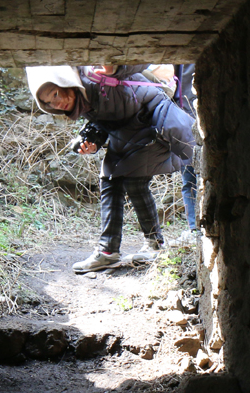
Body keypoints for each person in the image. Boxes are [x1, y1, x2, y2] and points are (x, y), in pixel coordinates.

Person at [27, 64, 195, 273]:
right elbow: (106, 120)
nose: (57, 102)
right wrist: (90, 141)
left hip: (153, 122)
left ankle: (154, 245)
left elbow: (127, 101)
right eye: (49, 102)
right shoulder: (82, 99)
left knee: (134, 181)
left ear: (67, 84)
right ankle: (108, 252)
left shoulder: (96, 81)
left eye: (55, 93)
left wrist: (115, 69)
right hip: (128, 131)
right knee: (109, 180)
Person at [172, 62, 199, 245]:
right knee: (188, 177)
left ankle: (196, 229)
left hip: (191, 116)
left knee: (190, 178)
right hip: (184, 119)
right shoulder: (177, 62)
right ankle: (194, 229)